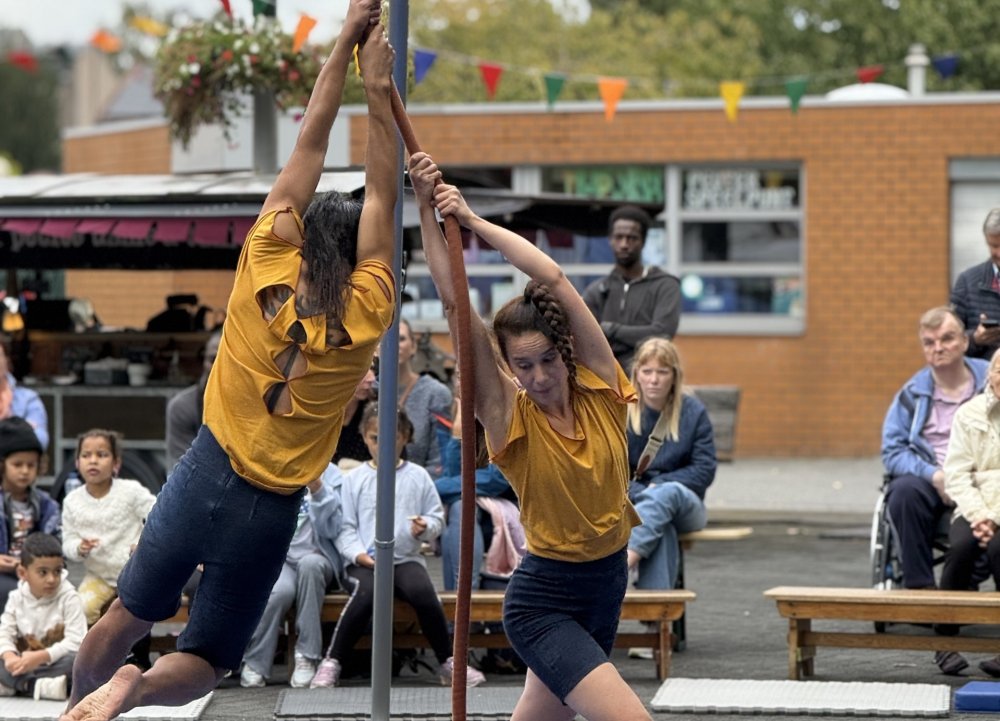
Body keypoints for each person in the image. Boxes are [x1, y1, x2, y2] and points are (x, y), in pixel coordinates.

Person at [61, 4, 398, 719]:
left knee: (125, 616)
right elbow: (382, 191)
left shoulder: (265, 257)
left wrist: (344, 43)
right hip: (269, 510)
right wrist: (381, 88)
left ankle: (82, 705)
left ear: (304, 234)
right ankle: (139, 688)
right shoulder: (371, 307)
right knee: (210, 660)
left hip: (204, 471)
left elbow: (310, 139)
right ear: (357, 253)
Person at [410, 152, 651, 721]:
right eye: (523, 366)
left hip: (606, 585)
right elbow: (454, 301)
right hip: (544, 600)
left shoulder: (601, 388)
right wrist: (425, 208)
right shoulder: (509, 416)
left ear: (565, 353)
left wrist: (473, 220)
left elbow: (553, 278)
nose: (539, 377)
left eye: (547, 360)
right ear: (509, 369)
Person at [310, 405, 484, 688]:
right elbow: (345, 527)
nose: (383, 445)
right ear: (365, 438)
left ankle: (447, 661)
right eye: (375, 438)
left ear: (405, 437)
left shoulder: (418, 476)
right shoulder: (353, 479)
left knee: (424, 593)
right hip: (363, 561)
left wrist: (425, 527)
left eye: (392, 437)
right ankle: (333, 661)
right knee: (366, 593)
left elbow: (436, 517)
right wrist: (359, 556)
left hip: (405, 558)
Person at [882, 306, 989, 590]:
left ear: (964, 341)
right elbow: (892, 451)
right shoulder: (911, 393)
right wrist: (934, 475)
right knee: (903, 492)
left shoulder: (992, 380)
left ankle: (964, 584)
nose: (938, 348)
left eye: (947, 339)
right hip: (932, 479)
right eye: (929, 342)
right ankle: (921, 589)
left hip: (983, 477)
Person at [240, 462, 345, 689]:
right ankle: (256, 660)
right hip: (283, 558)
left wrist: (318, 490)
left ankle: (307, 655)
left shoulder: (336, 477)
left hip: (319, 557)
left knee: (309, 565)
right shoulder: (278, 468)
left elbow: (333, 529)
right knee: (279, 591)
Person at [625, 337, 717, 591]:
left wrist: (660, 486)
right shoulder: (624, 412)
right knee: (660, 526)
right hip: (637, 505)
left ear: (674, 375)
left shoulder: (693, 412)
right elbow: (612, 473)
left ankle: (625, 563)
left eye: (662, 372)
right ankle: (658, 609)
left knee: (669, 492)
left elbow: (704, 470)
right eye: (647, 371)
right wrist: (647, 494)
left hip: (686, 506)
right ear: (637, 374)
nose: (654, 380)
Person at [934, 348, 1000, 677]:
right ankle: (944, 642)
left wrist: (994, 518)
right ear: (990, 375)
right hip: (974, 507)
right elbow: (956, 474)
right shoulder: (968, 414)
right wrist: (980, 516)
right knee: (960, 548)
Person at [60, 430, 156, 626]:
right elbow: (67, 541)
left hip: (134, 573)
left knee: (138, 613)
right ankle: (92, 645)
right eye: (86, 455)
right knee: (81, 608)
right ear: (77, 463)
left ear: (116, 463)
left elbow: (158, 515)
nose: (93, 461)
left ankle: (138, 646)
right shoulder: (72, 501)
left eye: (102, 455)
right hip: (99, 576)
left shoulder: (131, 491)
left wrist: (144, 543)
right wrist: (79, 547)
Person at [581, 205, 680, 374]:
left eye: (632, 238)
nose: (624, 244)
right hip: (607, 381)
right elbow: (585, 339)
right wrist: (637, 337)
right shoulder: (596, 291)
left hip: (647, 381)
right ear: (610, 239)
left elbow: (662, 334)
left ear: (643, 241)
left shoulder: (665, 285)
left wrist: (610, 330)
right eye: (619, 237)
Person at [434, 397, 518, 592]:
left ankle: (463, 597)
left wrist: (432, 487)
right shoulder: (450, 415)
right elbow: (453, 479)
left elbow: (496, 480)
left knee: (461, 508)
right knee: (457, 511)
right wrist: (458, 437)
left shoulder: (508, 415)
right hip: (470, 510)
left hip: (508, 510)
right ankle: (459, 598)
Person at [0, 532, 86, 701]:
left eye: (57, 571)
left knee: (80, 661)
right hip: (22, 663)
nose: (52, 579)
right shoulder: (16, 597)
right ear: (23, 573)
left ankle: (18, 685)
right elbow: (4, 633)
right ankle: (39, 686)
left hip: (56, 663)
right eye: (43, 572)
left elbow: (77, 641)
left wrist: (42, 656)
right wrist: (9, 657)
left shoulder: (70, 597)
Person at [0, 417, 60, 611]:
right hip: (4, 575)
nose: (25, 471)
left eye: (31, 465)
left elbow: (57, 545)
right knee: (10, 592)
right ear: (2, 464)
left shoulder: (47, 506)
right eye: (17, 464)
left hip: (36, 573)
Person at [394, 319, 452, 477]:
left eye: (401, 338)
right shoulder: (367, 390)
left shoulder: (435, 393)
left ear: (413, 346)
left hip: (421, 485)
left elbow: (439, 463)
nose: (393, 344)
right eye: (383, 339)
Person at [165, 331, 222, 471]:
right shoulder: (182, 406)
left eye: (227, 359)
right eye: (213, 359)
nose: (218, 366)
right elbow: (182, 470)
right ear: (203, 362)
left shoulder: (256, 405)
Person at [949, 208, 1000, 360]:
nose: (999, 253)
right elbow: (949, 340)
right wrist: (975, 339)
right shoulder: (967, 282)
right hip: (984, 373)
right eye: (994, 246)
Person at [0, 342, 48, 450]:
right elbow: (29, 437)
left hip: (18, 460)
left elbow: (40, 441)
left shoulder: (29, 399)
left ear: (7, 362)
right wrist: (22, 429)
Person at [331, 365, 376, 469]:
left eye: (372, 370)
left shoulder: (375, 409)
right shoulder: (320, 409)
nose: (371, 379)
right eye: (361, 370)